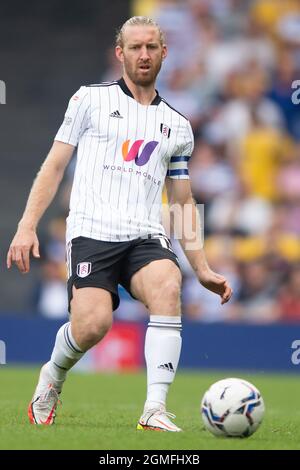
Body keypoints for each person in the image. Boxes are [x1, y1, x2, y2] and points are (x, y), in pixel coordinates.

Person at [7, 16, 232, 432]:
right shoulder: (88, 101)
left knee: (168, 283)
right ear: (120, 53)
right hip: (92, 232)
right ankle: (52, 375)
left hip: (145, 235)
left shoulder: (179, 127)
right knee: (92, 326)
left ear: (164, 52)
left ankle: (154, 409)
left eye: (151, 47)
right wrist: (27, 226)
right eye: (135, 47)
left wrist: (201, 268)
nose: (143, 55)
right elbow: (55, 165)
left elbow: (182, 201)